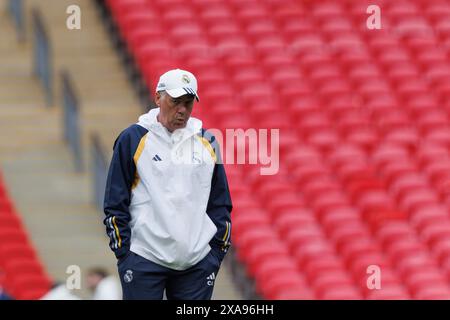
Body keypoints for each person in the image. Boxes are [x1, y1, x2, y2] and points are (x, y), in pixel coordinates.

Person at [103, 68, 232, 300]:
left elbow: (220, 202)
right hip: (144, 258)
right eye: (175, 101)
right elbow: (115, 201)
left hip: (196, 264)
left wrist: (215, 253)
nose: (182, 109)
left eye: (188, 102)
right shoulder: (132, 139)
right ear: (158, 98)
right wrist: (124, 253)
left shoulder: (208, 142)